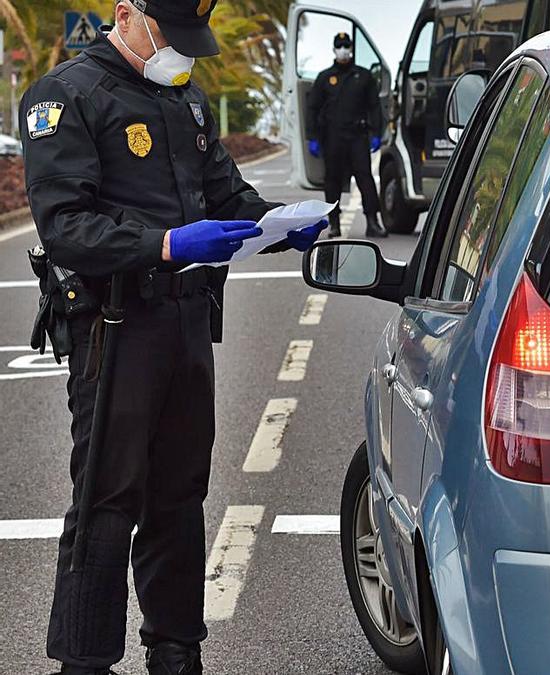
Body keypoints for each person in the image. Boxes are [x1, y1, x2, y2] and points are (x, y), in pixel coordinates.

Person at [19, 1, 327, 673]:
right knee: (107, 494)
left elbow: (225, 195)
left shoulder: (184, 100)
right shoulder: (66, 95)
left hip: (186, 322)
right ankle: (85, 658)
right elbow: (64, 222)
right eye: (169, 35)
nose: (181, 53)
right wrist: (161, 243)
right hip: (115, 325)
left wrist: (281, 222)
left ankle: (177, 649)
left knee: (179, 494)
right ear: (126, 13)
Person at [305, 32, 387, 238]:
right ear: (334, 49)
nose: (343, 49)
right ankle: (334, 223)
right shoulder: (324, 77)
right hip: (332, 137)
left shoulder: (363, 76)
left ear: (351, 48)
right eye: (339, 46)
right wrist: (312, 137)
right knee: (332, 181)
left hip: (357, 136)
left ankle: (372, 221)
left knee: (365, 178)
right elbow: (312, 109)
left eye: (346, 46)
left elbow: (374, 106)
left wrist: (377, 132)